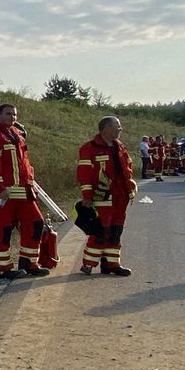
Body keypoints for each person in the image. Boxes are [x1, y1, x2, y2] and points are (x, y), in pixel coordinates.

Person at [0, 104, 49, 279]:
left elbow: (24, 165)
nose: (12, 117)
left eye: (14, 114)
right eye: (8, 114)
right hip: (3, 194)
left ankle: (29, 263)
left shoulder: (17, 135)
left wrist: (30, 185)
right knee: (3, 230)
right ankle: (4, 269)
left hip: (22, 191)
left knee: (36, 223)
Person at [77, 116, 137, 276]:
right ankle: (88, 264)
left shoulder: (120, 147)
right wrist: (87, 196)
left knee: (116, 231)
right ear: (105, 128)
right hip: (102, 196)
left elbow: (128, 169)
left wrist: (130, 188)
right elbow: (84, 174)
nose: (120, 129)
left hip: (121, 197)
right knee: (101, 230)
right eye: (117, 126)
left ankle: (112, 264)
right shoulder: (89, 148)